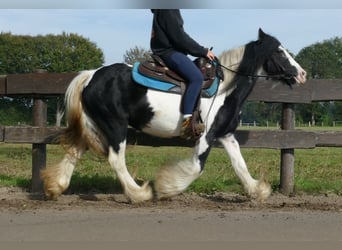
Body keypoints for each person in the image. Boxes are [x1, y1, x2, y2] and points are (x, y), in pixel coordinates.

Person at [150, 9, 215, 139]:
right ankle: (187, 123)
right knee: (196, 77)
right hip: (169, 52)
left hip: (169, 50)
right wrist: (202, 51)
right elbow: (179, 37)